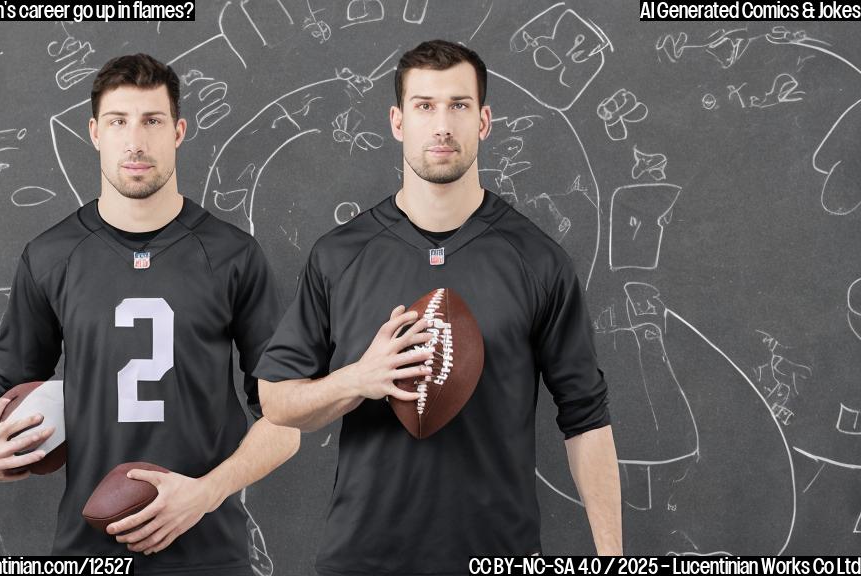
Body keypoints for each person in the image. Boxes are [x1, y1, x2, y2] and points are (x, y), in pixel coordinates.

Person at [255, 40, 622, 574]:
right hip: (364, 560)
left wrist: (614, 559)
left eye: (459, 105)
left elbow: (587, 419)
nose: (442, 125)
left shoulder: (538, 260)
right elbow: (278, 401)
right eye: (425, 106)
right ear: (398, 121)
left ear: (485, 120)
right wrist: (358, 379)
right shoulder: (341, 254)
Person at [0, 53, 299, 574]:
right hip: (86, 553)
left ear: (180, 130)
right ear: (95, 132)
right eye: (119, 122)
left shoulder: (232, 254)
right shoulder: (51, 255)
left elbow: (286, 418)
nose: (135, 141)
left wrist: (205, 494)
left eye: (152, 121)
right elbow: (4, 389)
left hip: (209, 553)